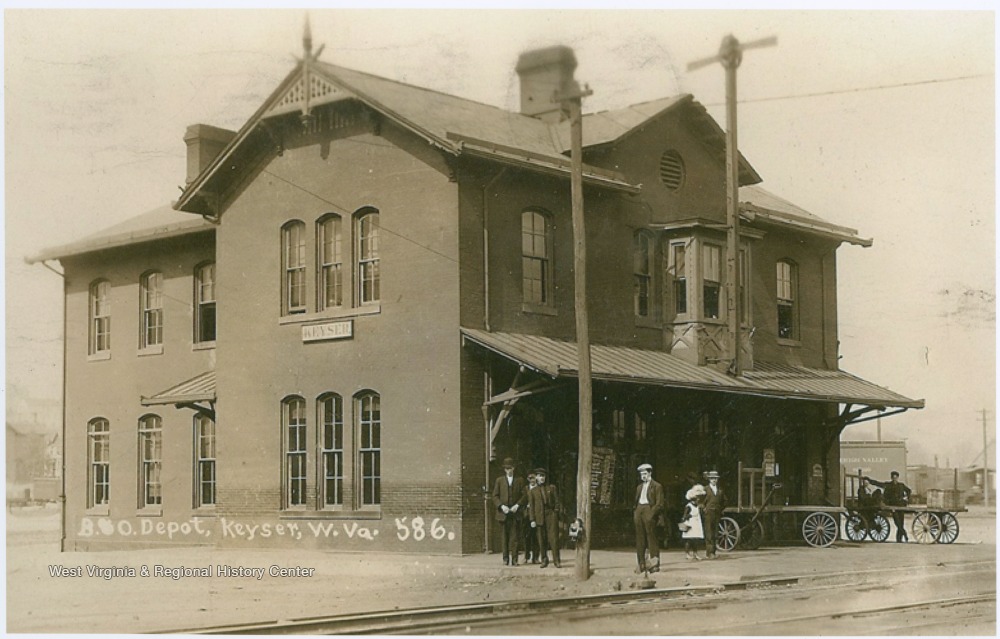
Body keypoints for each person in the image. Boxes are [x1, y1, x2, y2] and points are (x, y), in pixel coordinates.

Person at [492, 457, 527, 565]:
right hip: (504, 513)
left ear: (514, 468)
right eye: (506, 469)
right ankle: (505, 559)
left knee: (515, 537)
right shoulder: (499, 480)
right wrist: (502, 506)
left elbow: (525, 495)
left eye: (510, 468)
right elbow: (495, 496)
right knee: (504, 537)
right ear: (504, 469)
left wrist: (517, 505)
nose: (508, 470)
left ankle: (515, 559)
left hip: (515, 513)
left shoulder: (519, 480)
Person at [633, 463, 665, 573]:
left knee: (652, 538)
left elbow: (659, 503)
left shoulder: (657, 486)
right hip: (639, 510)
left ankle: (654, 564)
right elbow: (636, 501)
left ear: (650, 473)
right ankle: (641, 564)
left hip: (649, 510)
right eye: (641, 474)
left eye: (645, 474)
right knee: (640, 539)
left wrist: (651, 514)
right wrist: (636, 512)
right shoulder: (639, 487)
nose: (643, 476)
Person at [528, 467, 562, 568]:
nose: (541, 478)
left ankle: (556, 560)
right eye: (539, 476)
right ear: (536, 477)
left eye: (543, 476)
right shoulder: (533, 491)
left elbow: (557, 502)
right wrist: (532, 519)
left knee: (554, 539)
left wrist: (555, 513)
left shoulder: (551, 488)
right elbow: (531, 507)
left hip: (550, 515)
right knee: (541, 540)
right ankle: (544, 560)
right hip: (539, 517)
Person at [866, 471, 912, 542]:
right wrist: (869, 480)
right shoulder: (888, 485)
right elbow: (878, 483)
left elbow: (909, 491)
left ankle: (899, 539)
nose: (894, 479)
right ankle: (905, 534)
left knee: (901, 523)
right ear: (891, 478)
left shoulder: (901, 485)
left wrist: (906, 498)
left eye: (896, 478)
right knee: (897, 522)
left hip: (900, 506)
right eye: (893, 478)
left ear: (897, 478)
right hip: (892, 506)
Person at [702, 470, 726, 559]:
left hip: (717, 513)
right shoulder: (705, 489)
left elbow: (724, 501)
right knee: (709, 532)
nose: (714, 480)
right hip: (708, 513)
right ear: (709, 479)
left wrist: (720, 509)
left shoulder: (720, 490)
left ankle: (714, 552)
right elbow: (700, 501)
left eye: (715, 478)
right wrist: (704, 509)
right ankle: (709, 553)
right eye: (712, 478)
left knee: (715, 532)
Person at [680, 484, 707, 560]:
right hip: (690, 524)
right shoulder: (689, 506)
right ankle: (687, 554)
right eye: (696, 498)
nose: (698, 500)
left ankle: (695, 553)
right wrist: (689, 516)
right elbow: (684, 517)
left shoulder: (697, 506)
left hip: (696, 523)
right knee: (689, 540)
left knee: (695, 540)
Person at [522, 471, 539, 563]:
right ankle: (526, 556)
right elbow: (522, 500)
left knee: (536, 536)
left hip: (537, 515)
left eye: (533, 478)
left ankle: (535, 557)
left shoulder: (539, 488)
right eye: (530, 478)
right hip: (527, 515)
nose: (532, 480)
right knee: (526, 536)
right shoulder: (525, 489)